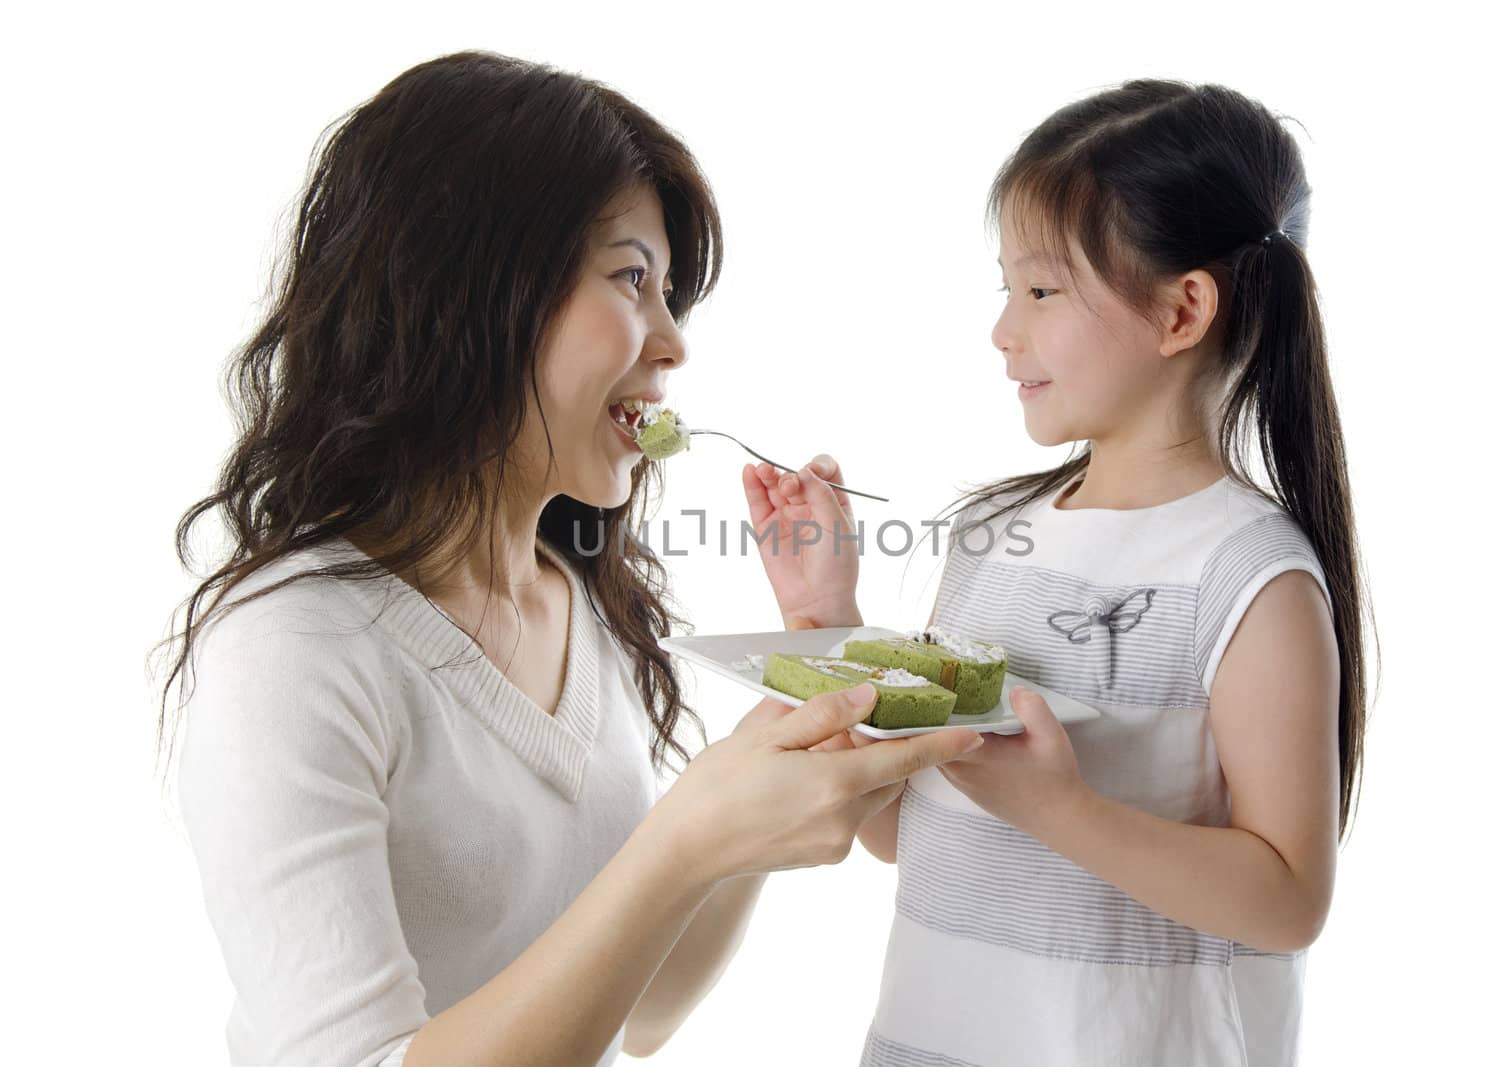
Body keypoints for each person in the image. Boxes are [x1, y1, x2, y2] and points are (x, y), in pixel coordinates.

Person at [152, 50, 983, 1067]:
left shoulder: (578, 605)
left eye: (671, 292)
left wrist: (803, 692)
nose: (673, 341)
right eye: (633, 278)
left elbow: (648, 1005)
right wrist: (687, 833)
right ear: (467, 287)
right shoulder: (288, 649)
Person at [747, 79, 1375, 1066]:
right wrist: (825, 614)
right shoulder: (991, 535)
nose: (1005, 329)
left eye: (1040, 291)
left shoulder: (1247, 575)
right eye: (1005, 288)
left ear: (1181, 309)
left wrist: (1059, 806)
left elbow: (1289, 897)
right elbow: (908, 835)